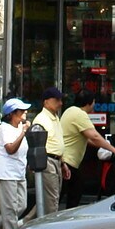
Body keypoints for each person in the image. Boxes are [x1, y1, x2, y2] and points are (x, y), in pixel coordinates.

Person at [56, 89, 115, 206]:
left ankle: (65, 217)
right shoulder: (80, 114)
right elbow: (94, 136)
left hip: (67, 161)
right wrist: (113, 149)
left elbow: (88, 139)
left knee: (71, 192)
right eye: (94, 102)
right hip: (68, 162)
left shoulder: (69, 111)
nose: (95, 105)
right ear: (89, 103)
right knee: (69, 194)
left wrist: (103, 146)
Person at [0, 99, 33, 229]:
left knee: (21, 205)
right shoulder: (4, 129)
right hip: (7, 173)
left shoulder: (19, 127)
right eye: (21, 110)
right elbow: (10, 149)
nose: (25, 112)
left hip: (19, 172)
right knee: (10, 208)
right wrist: (23, 132)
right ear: (12, 114)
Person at [32, 88, 68, 218]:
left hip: (56, 161)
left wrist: (63, 162)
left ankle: (25, 223)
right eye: (57, 100)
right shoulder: (41, 120)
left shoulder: (55, 117)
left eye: (61, 100)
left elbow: (58, 140)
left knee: (49, 199)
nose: (60, 103)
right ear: (46, 102)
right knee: (52, 200)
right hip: (47, 161)